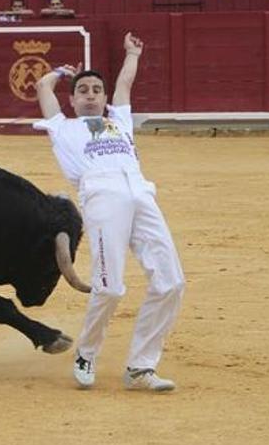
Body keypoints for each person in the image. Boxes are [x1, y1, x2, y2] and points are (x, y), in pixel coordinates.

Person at [34, 32, 185, 392]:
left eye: (95, 90)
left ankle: (140, 368)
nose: (90, 94)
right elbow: (41, 86)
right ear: (70, 100)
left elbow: (125, 83)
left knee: (171, 282)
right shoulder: (62, 127)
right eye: (82, 90)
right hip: (102, 196)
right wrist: (58, 72)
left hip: (141, 193)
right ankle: (86, 353)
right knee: (111, 287)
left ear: (104, 98)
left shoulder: (120, 118)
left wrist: (132, 52)